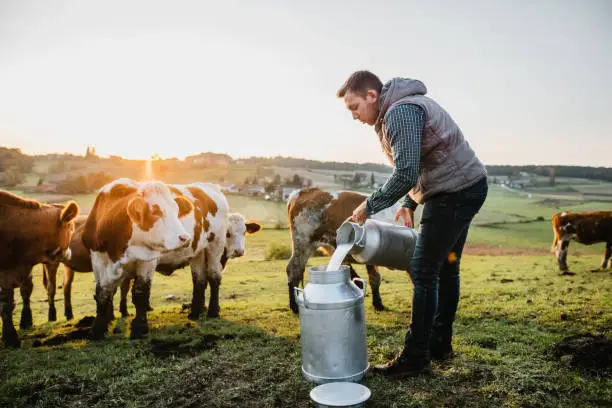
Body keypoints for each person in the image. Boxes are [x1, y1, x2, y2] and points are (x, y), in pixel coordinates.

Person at [337, 71, 488, 377]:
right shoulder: (397, 110)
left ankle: (416, 356)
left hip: (453, 192)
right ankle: (439, 344)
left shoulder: (400, 112)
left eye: (354, 107)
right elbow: (417, 164)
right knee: (446, 266)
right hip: (463, 186)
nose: (353, 116)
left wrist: (369, 205)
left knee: (423, 269)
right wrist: (408, 202)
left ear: (371, 96)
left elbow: (405, 172)